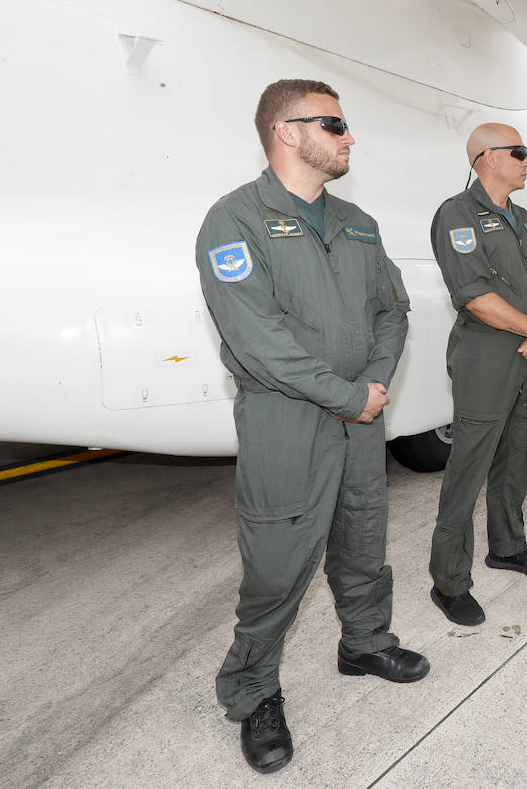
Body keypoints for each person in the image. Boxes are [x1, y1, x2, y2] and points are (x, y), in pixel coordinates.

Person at [196, 78, 429, 775]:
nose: (349, 136)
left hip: (360, 416)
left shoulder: (358, 223)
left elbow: (394, 308)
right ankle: (252, 691)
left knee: (362, 538)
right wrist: (344, 394)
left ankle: (363, 642)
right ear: (286, 132)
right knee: (276, 565)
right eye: (333, 125)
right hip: (285, 421)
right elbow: (256, 339)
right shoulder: (235, 221)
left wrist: (373, 386)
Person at [429, 123, 527, 625]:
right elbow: (475, 296)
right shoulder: (457, 215)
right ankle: (449, 581)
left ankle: (506, 548)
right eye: (520, 152)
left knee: (517, 457)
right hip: (486, 356)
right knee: (469, 468)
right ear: (486, 157)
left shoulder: (522, 217)